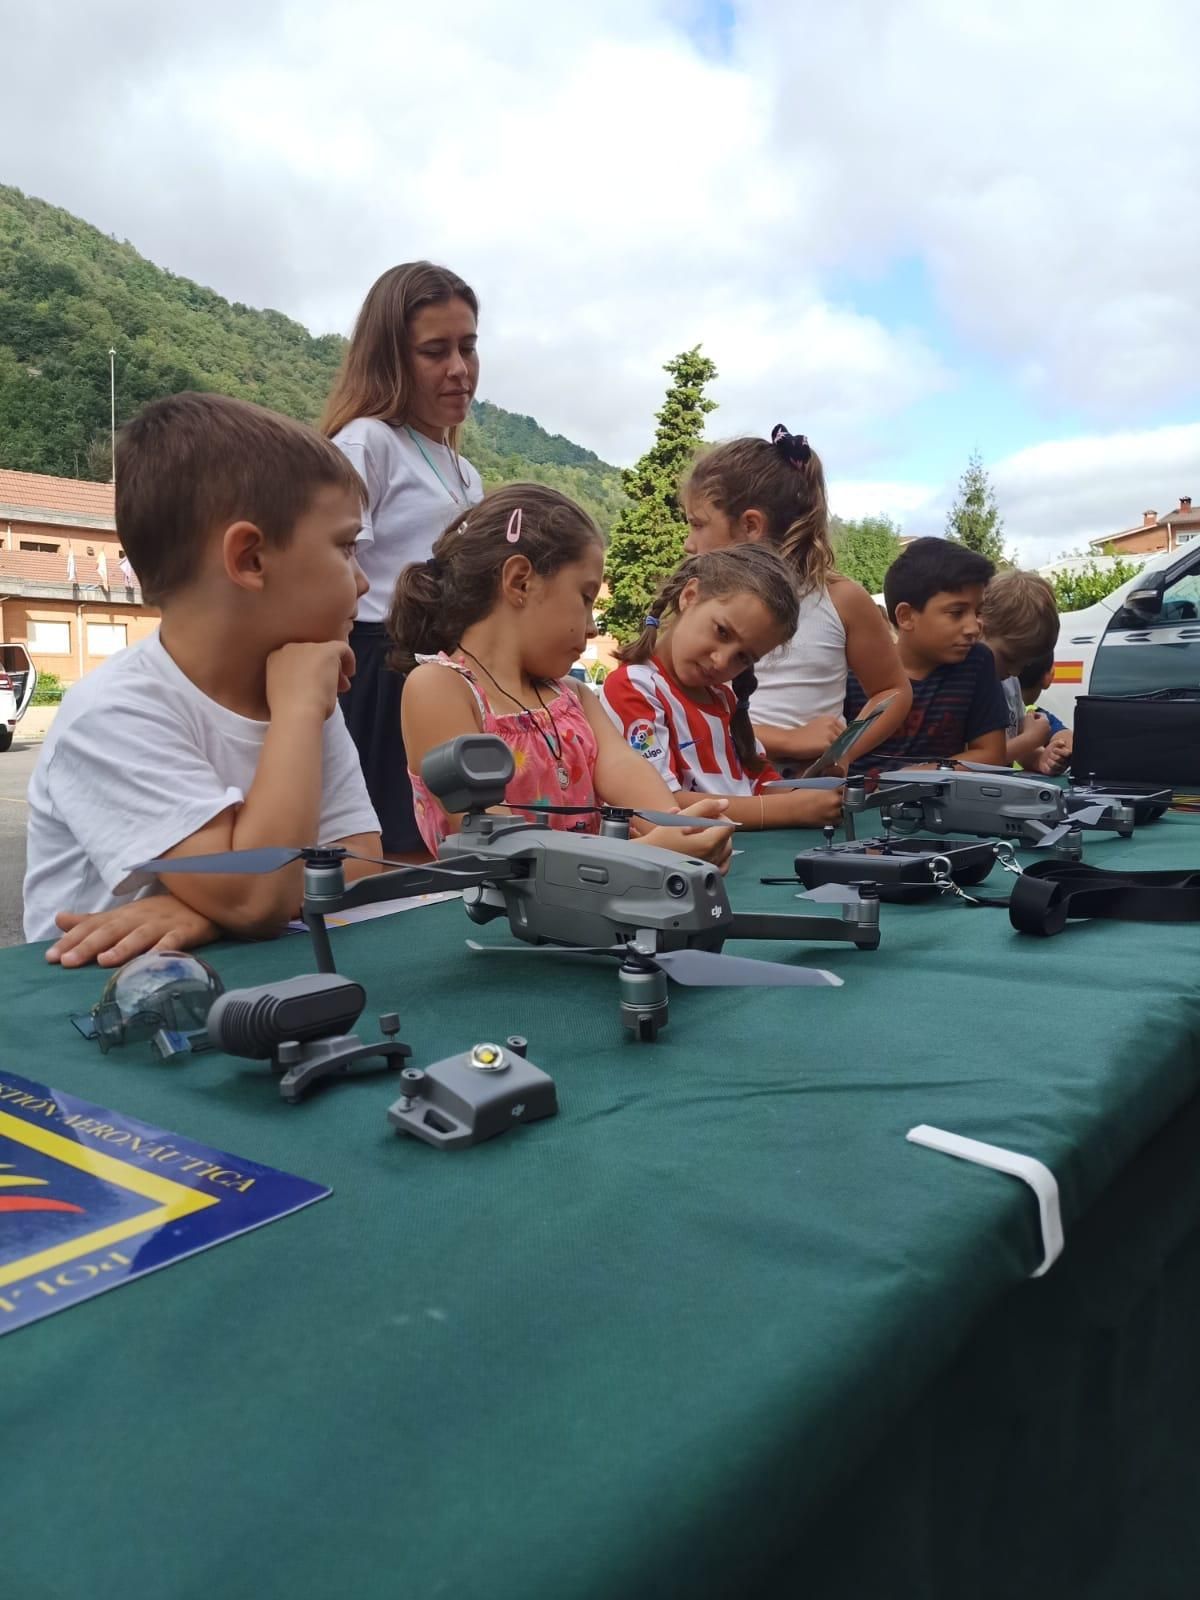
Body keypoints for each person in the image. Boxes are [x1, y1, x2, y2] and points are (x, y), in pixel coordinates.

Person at [23, 392, 382, 966]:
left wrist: (205, 912)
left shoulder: (301, 684)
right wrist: (236, 906)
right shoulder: (113, 713)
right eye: (345, 547)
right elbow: (257, 896)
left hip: (242, 977)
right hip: (99, 1010)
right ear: (250, 559)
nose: (363, 583)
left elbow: (364, 859)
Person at [390, 483, 734, 867]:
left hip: (590, 902)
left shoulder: (574, 696)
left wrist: (679, 829)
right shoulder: (440, 688)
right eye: (585, 597)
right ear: (520, 581)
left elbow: (621, 767)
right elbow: (490, 838)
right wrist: (643, 853)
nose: (592, 628)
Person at [322, 261, 484, 855]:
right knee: (386, 854)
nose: (459, 369)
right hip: (377, 669)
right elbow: (328, 569)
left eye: (467, 347)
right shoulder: (368, 441)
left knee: (444, 846)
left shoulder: (466, 472)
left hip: (442, 674)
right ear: (390, 357)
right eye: (434, 351)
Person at [680, 426, 911, 769]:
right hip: (714, 789)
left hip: (806, 793)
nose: (688, 543)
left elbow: (893, 691)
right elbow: (683, 707)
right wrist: (787, 739)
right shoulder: (700, 601)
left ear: (751, 526)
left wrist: (842, 751)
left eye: (698, 524)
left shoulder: (841, 600)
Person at [602, 547, 843, 830]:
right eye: (722, 632)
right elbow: (661, 805)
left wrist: (810, 793)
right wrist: (787, 810)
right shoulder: (634, 688)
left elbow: (759, 783)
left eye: (743, 657)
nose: (720, 661)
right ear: (689, 596)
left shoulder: (725, 699)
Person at [843, 537, 1007, 770]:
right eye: (956, 612)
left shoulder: (976, 662)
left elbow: (991, 754)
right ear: (906, 616)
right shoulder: (853, 673)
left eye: (977, 611)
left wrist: (917, 776)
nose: (974, 627)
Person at [979, 569, 1062, 769]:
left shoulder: (1010, 682)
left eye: (1025, 665)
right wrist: (1031, 739)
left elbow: (1014, 744)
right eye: (1009, 658)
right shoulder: (967, 686)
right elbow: (971, 761)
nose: (1015, 672)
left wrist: (1041, 759)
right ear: (980, 629)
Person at [1018, 650, 1073, 775]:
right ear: (1049, 676)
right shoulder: (1034, 715)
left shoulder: (1035, 714)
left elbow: (1064, 735)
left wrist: (1058, 749)